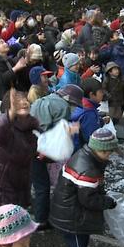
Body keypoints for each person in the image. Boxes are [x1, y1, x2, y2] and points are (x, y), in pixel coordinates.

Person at [49, 128, 119, 247]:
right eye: (108, 152)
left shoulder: (87, 155)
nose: (110, 155)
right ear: (98, 149)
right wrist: (108, 202)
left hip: (72, 210)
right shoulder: (88, 168)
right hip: (70, 217)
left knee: (82, 242)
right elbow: (89, 200)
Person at [29, 85, 84, 229]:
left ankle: (26, 210)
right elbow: (57, 133)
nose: (73, 108)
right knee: (42, 186)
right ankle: (41, 220)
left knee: (30, 181)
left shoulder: (41, 100)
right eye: (74, 105)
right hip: (37, 149)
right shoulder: (62, 107)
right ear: (69, 100)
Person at [0, 90, 39, 208]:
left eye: (25, 100)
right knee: (5, 215)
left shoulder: (29, 127)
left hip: (21, 180)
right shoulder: (5, 126)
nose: (25, 103)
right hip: (2, 183)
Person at [70, 78, 109, 150]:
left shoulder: (82, 105)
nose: (102, 94)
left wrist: (101, 121)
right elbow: (91, 139)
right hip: (80, 150)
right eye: (100, 92)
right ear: (91, 94)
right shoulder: (88, 113)